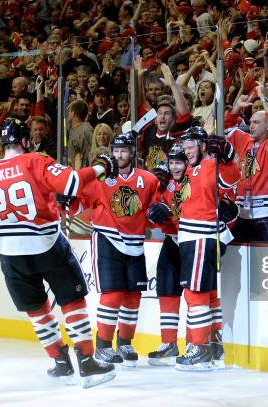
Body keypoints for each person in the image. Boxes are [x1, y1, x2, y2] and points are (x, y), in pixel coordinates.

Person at [0, 118, 117, 388]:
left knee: (37, 310)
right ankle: (86, 361)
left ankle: (60, 361)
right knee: (71, 301)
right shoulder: (36, 160)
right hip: (46, 244)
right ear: (25, 141)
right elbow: (71, 182)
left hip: (10, 254)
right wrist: (101, 167)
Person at [78, 133, 160, 367]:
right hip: (107, 238)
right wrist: (67, 200)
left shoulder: (148, 180)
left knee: (133, 297)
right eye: (115, 150)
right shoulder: (101, 177)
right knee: (113, 295)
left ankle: (125, 341)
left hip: (135, 243)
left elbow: (153, 215)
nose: (119, 155)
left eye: (124, 150)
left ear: (132, 152)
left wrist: (158, 213)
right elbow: (80, 201)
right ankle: (103, 345)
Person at [175, 126, 240, 370]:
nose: (187, 150)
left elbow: (231, 178)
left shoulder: (211, 164)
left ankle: (199, 349)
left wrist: (229, 155)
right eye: (185, 146)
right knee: (208, 296)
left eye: (191, 146)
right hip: (193, 239)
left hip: (201, 238)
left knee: (196, 294)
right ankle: (212, 345)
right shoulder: (191, 168)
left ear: (203, 146)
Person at [224, 84, 268, 242]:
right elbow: (224, 128)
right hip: (241, 213)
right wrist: (236, 108)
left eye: (257, 122)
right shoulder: (245, 140)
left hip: (267, 215)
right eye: (250, 122)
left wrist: (264, 97)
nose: (250, 126)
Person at [146, 143, 188, 366]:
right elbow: (150, 212)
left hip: (193, 243)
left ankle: (199, 342)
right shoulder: (165, 185)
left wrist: (170, 216)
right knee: (167, 289)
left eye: (179, 162)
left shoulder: (194, 182)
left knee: (196, 294)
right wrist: (155, 211)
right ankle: (169, 342)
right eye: (171, 162)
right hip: (172, 242)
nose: (174, 167)